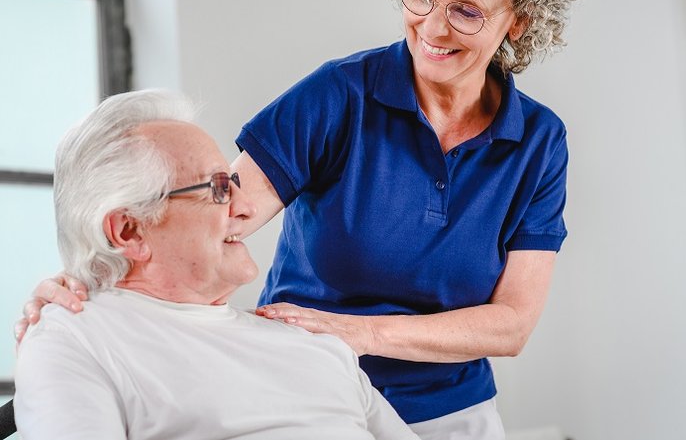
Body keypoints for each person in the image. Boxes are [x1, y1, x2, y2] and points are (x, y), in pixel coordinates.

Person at [16, 0, 580, 438]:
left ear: (518, 21)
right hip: (296, 381)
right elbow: (207, 214)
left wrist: (353, 336)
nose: (432, 28)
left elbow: (512, 323)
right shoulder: (340, 96)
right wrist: (87, 282)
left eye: (465, 11)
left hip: (446, 407)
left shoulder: (539, 140)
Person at [13, 90, 419, 440]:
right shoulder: (76, 338)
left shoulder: (313, 341)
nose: (246, 208)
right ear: (129, 231)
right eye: (219, 188)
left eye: (234, 183)